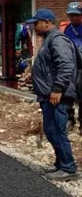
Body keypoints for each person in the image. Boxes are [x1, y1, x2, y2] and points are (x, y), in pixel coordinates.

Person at [26, 9, 79, 181]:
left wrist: (57, 89)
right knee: (51, 130)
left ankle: (69, 168)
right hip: (49, 95)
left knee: (57, 130)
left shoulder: (57, 40)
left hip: (58, 95)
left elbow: (66, 65)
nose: (34, 27)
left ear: (47, 22)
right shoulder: (50, 40)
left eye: (36, 23)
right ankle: (60, 164)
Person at [62, 2, 82, 133]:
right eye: (71, 15)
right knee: (68, 92)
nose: (73, 18)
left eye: (76, 15)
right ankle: (69, 118)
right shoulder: (67, 29)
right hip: (70, 65)